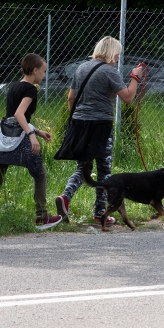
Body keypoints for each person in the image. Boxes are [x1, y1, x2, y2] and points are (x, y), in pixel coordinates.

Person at [53, 36, 143, 224]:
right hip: (101, 125)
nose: (118, 58)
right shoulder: (110, 72)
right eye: (117, 53)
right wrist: (135, 78)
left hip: (80, 123)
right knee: (104, 170)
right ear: (111, 52)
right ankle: (100, 213)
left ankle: (65, 198)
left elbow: (71, 98)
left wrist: (78, 118)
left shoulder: (81, 68)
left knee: (83, 167)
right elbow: (127, 98)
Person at [0, 54, 63, 230]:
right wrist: (31, 135)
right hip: (21, 137)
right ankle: (42, 217)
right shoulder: (31, 89)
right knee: (40, 174)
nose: (45, 75)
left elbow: (12, 117)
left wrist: (38, 131)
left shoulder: (15, 86)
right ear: (35, 70)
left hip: (5, 135)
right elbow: (19, 114)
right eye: (43, 71)